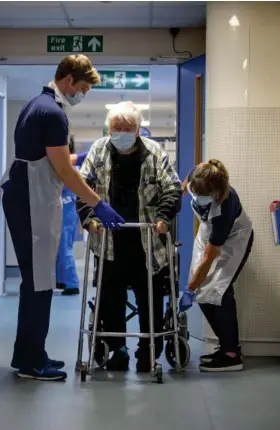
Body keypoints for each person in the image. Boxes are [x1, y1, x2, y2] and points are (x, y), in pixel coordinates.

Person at [0, 54, 125, 382]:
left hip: (23, 194)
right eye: (83, 88)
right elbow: (63, 170)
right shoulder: (53, 113)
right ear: (69, 81)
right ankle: (31, 363)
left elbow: (49, 157)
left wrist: (81, 155)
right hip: (32, 201)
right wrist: (97, 203)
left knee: (36, 281)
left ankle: (30, 353)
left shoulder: (35, 104)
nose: (82, 94)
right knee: (40, 282)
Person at [77, 101, 182, 372]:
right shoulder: (99, 150)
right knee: (110, 297)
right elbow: (83, 186)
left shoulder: (154, 151)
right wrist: (89, 220)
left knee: (150, 298)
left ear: (138, 130)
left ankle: (149, 350)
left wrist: (162, 218)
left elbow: (172, 188)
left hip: (147, 241)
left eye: (127, 128)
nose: (121, 132)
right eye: (116, 128)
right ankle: (117, 348)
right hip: (109, 240)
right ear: (109, 128)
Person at [178, 159, 254, 372]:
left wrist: (189, 289)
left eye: (204, 196)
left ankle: (231, 354)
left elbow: (210, 257)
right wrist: (177, 195)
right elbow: (184, 186)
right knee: (204, 290)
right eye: (195, 192)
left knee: (216, 292)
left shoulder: (225, 209)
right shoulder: (199, 174)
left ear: (218, 194)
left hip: (232, 238)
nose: (197, 197)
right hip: (207, 230)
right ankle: (226, 347)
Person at [55, 135, 86, 295]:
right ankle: (61, 280)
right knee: (59, 247)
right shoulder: (65, 165)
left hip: (66, 210)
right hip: (64, 209)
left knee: (63, 247)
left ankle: (72, 283)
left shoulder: (69, 167)